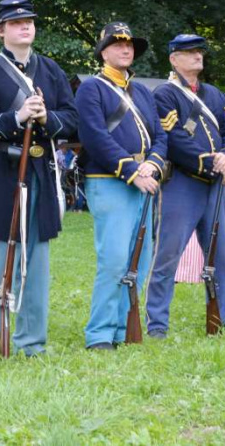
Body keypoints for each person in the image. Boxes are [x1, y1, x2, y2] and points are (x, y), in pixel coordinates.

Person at [0, 0, 77, 356]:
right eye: (15, 23)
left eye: (28, 21)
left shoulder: (51, 70)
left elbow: (72, 119)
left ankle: (32, 341)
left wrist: (45, 120)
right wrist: (16, 117)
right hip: (2, 172)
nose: (24, 27)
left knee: (37, 260)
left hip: (41, 171)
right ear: (2, 30)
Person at [75, 22, 167, 350]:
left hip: (145, 178)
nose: (125, 49)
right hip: (110, 181)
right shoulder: (92, 89)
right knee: (114, 259)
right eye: (117, 44)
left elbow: (160, 135)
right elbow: (95, 137)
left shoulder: (141, 91)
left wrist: (153, 164)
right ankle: (100, 333)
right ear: (103, 51)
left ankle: (123, 327)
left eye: (129, 45)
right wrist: (132, 171)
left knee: (139, 260)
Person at [145, 34, 225, 338]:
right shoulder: (165, 94)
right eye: (189, 52)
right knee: (167, 255)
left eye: (199, 51)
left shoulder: (214, 95)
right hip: (182, 185)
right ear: (174, 59)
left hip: (214, 185)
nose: (197, 56)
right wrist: (209, 161)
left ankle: (221, 317)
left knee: (220, 257)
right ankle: (157, 324)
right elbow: (172, 139)